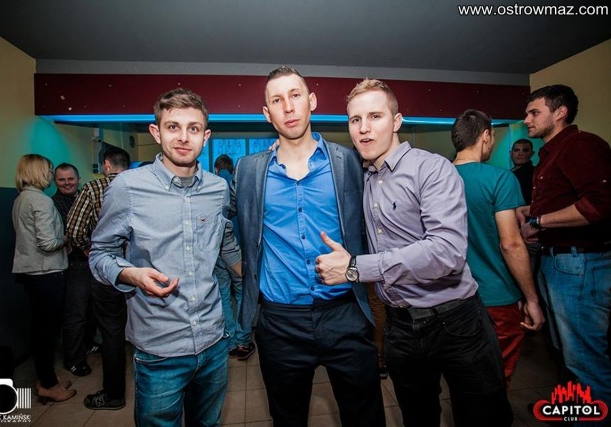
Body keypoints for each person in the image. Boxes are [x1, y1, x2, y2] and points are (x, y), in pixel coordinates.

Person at [317, 79, 513, 427]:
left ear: (396, 121)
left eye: (375, 116)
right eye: (355, 119)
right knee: (418, 417)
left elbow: (447, 252)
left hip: (455, 322)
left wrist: (355, 268)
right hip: (401, 327)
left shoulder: (432, 168)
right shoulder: (360, 175)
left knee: (483, 416)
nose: (363, 128)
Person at [231, 66, 385, 427]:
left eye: (295, 95)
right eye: (277, 100)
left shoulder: (349, 162)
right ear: (267, 113)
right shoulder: (248, 170)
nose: (288, 107)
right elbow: (223, 221)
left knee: (365, 416)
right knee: (287, 418)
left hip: (345, 312)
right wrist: (240, 265)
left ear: (311, 101)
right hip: (280, 322)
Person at [89, 88, 241, 427]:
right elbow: (100, 253)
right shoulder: (127, 188)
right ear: (156, 132)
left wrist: (250, 276)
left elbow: (225, 239)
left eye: (193, 128)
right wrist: (131, 274)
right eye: (173, 127)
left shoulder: (217, 189)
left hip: (214, 343)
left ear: (205, 137)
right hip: (159, 350)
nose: (183, 137)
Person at [519, 84, 611, 424]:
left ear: (560, 113)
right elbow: (568, 200)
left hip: (580, 262)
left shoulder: (581, 145)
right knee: (567, 353)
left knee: (585, 359)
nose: (526, 119)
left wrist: (538, 221)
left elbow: (599, 205)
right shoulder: (552, 152)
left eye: (534, 112)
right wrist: (533, 210)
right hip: (559, 260)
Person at [451, 109, 544, 387]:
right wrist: (531, 298)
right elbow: (511, 243)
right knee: (495, 375)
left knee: (462, 374)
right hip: (494, 295)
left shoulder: (436, 177)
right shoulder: (499, 179)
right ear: (486, 136)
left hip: (449, 297)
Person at [66, 147, 130, 410]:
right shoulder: (141, 187)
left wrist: (89, 249)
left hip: (107, 269)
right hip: (141, 269)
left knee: (111, 331)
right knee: (146, 326)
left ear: (106, 165)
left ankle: (114, 394)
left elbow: (73, 229)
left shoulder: (93, 189)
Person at [12, 154, 77, 403]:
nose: (51, 175)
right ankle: (49, 385)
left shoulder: (22, 198)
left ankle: (46, 378)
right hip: (46, 272)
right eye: (49, 171)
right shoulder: (40, 200)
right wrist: (68, 239)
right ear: (38, 172)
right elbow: (48, 243)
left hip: (31, 272)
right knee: (46, 332)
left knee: (40, 329)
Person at [52, 162, 99, 378]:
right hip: (74, 264)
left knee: (92, 310)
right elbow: (68, 235)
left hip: (93, 262)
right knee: (76, 313)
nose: (67, 183)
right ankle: (74, 359)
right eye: (61, 179)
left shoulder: (86, 197)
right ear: (55, 182)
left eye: (70, 179)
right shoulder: (54, 204)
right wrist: (85, 244)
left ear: (78, 179)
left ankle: (87, 344)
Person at [213, 154, 255, 360]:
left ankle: (229, 341)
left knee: (223, 296)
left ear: (217, 168)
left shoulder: (212, 185)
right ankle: (243, 341)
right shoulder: (241, 184)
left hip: (217, 251)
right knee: (242, 295)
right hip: (240, 252)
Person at [509, 138, 535, 205]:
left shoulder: (536, 173)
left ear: (532, 153)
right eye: (516, 150)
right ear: (511, 153)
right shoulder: (508, 174)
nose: (520, 154)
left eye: (525, 150)